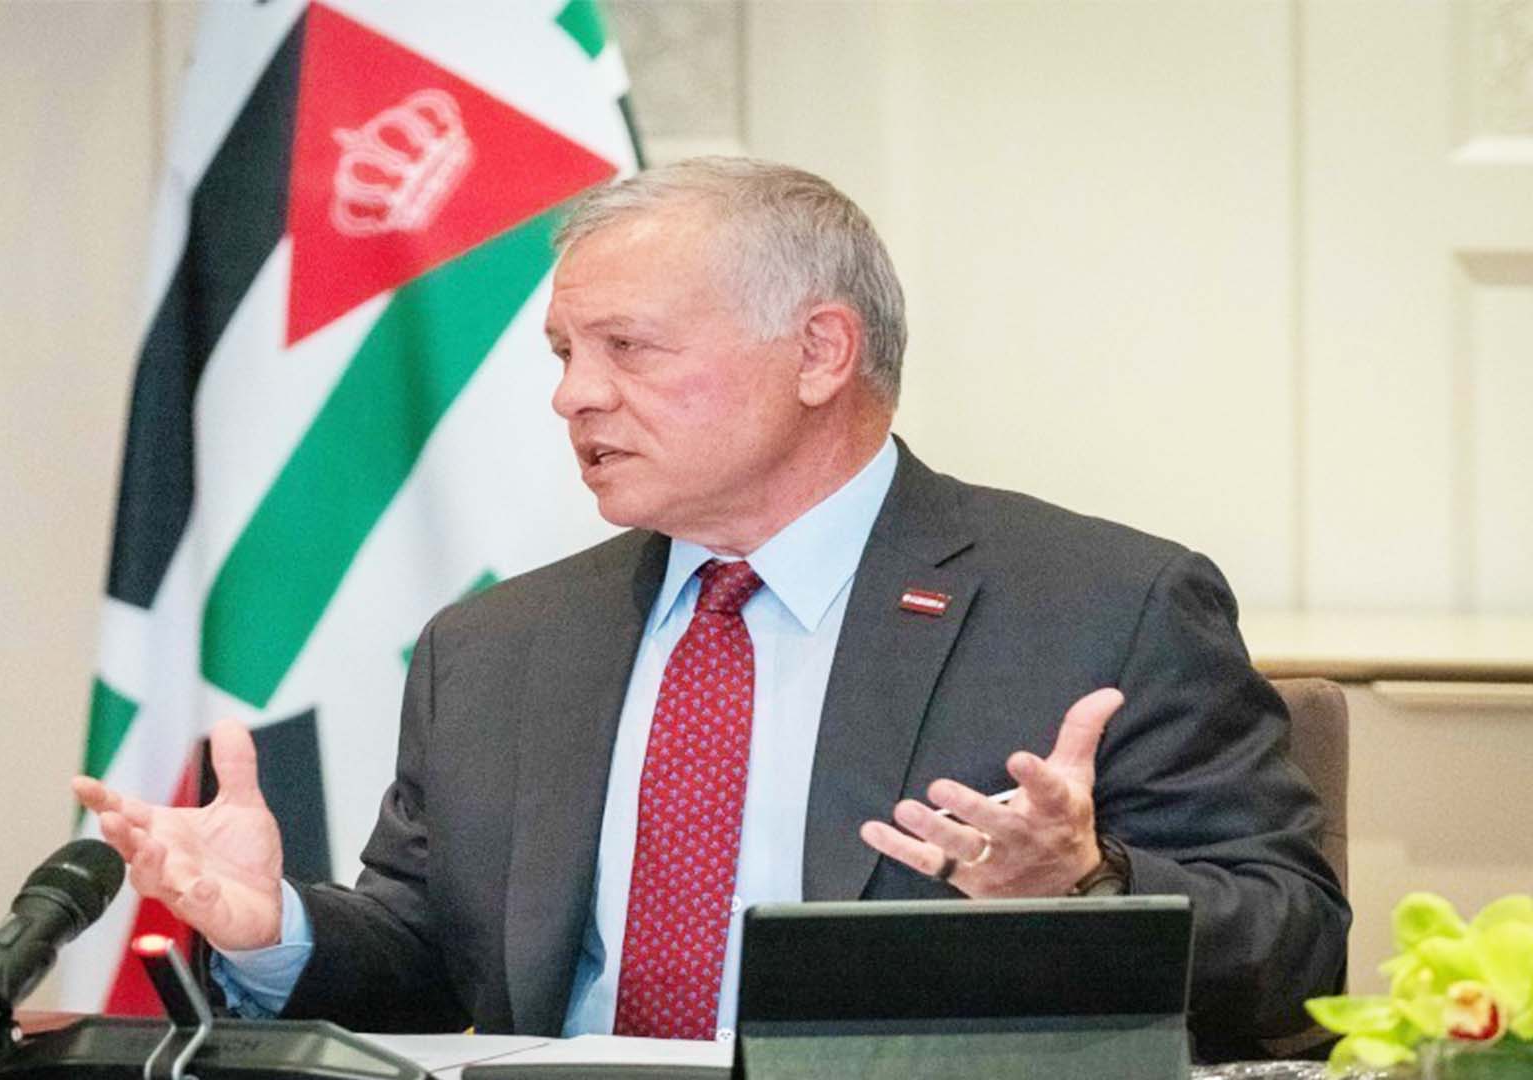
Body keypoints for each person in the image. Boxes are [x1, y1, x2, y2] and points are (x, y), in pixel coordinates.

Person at [74, 157, 1349, 1061]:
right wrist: (279, 930)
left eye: (628, 348)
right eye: (564, 354)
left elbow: (1298, 963)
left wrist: (1087, 886)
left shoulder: (1103, 605)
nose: (573, 396)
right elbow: (429, 968)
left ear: (820, 353)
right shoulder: (499, 646)